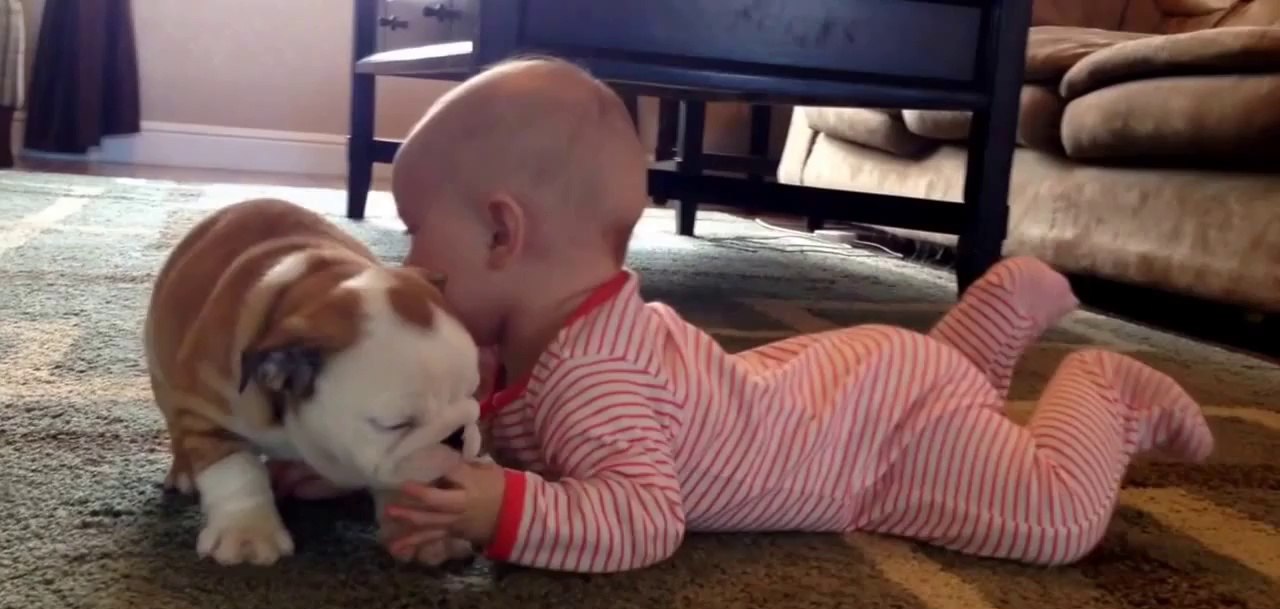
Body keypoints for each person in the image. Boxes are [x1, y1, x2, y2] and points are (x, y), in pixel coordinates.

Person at [373, 57, 1213, 573]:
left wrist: (502, 512)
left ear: (500, 231)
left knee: (1052, 519)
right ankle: (992, 325)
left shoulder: (595, 378)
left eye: (414, 235)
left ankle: (1102, 392)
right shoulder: (520, 348)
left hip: (882, 444)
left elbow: (643, 519)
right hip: (854, 387)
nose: (406, 266)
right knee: (950, 391)